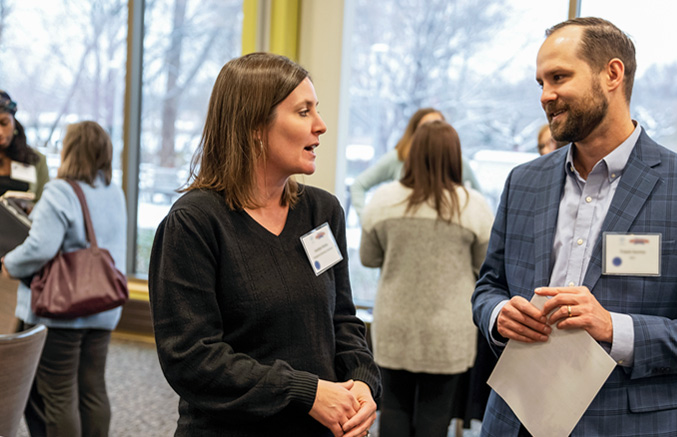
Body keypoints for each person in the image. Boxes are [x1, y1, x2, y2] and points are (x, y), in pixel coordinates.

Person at [472, 17, 677, 437]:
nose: (546, 96)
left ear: (612, 74)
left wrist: (613, 328)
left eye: (559, 77)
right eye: (540, 82)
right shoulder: (524, 181)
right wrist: (497, 315)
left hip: (628, 425)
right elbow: (488, 285)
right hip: (514, 420)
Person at [148, 52, 380, 437]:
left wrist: (362, 379)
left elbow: (340, 319)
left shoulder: (322, 211)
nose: (321, 126)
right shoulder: (194, 223)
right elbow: (191, 358)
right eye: (304, 112)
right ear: (256, 125)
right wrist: (305, 393)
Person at [360, 120, 493, 437]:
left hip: (394, 325)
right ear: (455, 157)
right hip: (449, 331)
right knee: (436, 414)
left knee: (392, 407)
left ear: (413, 153)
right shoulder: (473, 205)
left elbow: (368, 258)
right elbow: (483, 266)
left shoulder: (383, 200)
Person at [1, 121, 127, 436]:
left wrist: (9, 263)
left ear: (70, 150)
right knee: (93, 388)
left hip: (63, 310)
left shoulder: (60, 191)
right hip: (103, 306)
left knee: (58, 394)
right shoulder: (114, 192)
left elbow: (39, 248)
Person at [349, 107, 482, 219]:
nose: (433, 132)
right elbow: (359, 185)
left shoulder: (458, 161)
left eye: (438, 125)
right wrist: (366, 219)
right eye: (426, 127)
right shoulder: (398, 157)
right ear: (415, 132)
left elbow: (478, 199)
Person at [0, 89, 49, 208]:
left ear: (14, 123)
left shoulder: (36, 160)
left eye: (4, 123)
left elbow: (45, 206)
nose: (0, 132)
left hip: (24, 225)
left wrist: (30, 209)